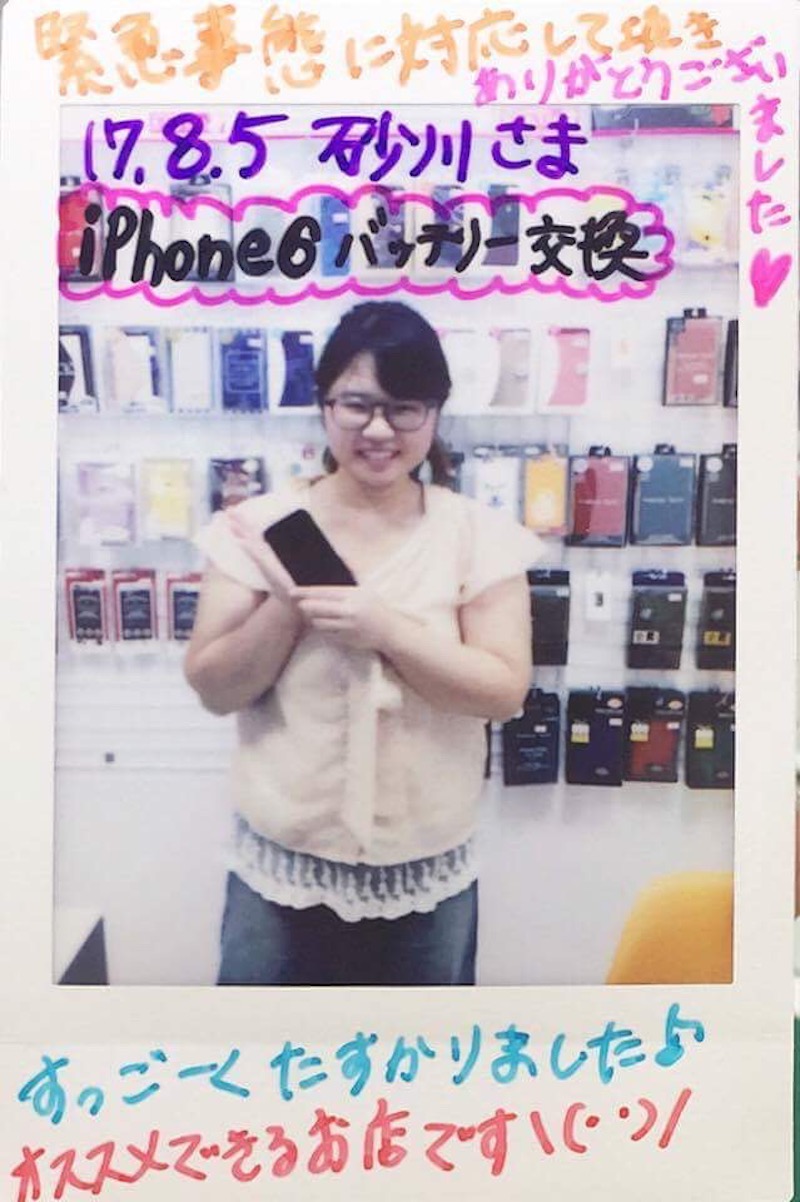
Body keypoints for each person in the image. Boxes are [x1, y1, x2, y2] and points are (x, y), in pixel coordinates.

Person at [185, 301, 541, 986]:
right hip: (278, 867)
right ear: (324, 406)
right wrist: (288, 605)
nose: (378, 429)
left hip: (425, 871)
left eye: (404, 408)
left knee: (421, 1052)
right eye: (357, 405)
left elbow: (502, 692)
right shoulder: (258, 528)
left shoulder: (480, 536)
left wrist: (388, 631)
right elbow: (215, 688)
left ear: (434, 413)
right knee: (261, 1048)